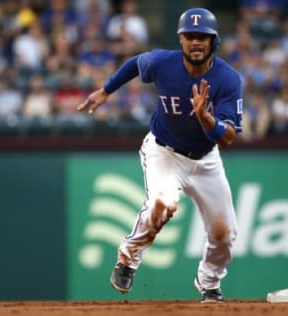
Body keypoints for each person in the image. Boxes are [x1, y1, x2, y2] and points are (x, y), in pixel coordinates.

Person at [77, 8, 243, 303]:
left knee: (225, 234)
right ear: (180, 39)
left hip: (205, 160)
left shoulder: (227, 79)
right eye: (190, 36)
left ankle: (209, 283)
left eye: (202, 37)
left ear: (213, 42)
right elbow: (134, 64)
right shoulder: (162, 63)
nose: (196, 42)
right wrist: (106, 90)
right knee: (162, 204)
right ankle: (128, 258)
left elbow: (228, 137)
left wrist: (207, 120)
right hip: (163, 150)